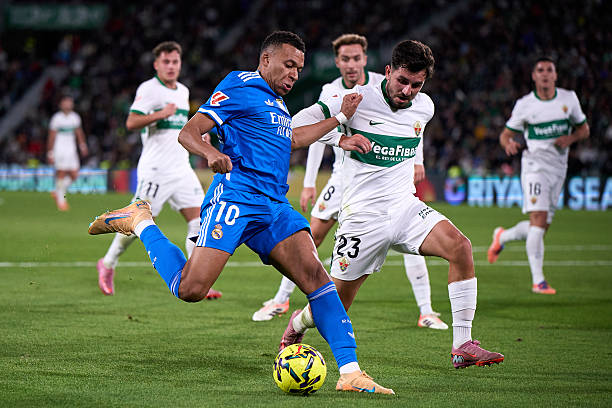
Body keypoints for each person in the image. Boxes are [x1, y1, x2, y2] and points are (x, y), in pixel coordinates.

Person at [89, 31, 395, 394]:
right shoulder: (240, 84)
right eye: (288, 65)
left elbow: (293, 139)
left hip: (274, 206)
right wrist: (210, 152)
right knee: (191, 289)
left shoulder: (278, 104)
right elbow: (188, 132)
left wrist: (339, 119)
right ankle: (141, 221)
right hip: (236, 199)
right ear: (266, 60)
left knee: (317, 278)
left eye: (299, 68)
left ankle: (350, 372)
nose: (294, 74)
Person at [279, 39, 504, 370]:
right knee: (337, 303)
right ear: (387, 72)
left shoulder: (425, 106)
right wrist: (340, 137)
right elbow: (294, 125)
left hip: (404, 208)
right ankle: (298, 322)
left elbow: (416, 131)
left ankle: (462, 345)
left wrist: (418, 161)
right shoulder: (355, 99)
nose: (408, 91)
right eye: (402, 81)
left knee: (460, 247)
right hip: (362, 217)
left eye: (417, 84)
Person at [253, 34, 448, 331]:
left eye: (356, 58)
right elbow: (312, 132)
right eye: (345, 59)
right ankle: (281, 299)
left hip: (380, 183)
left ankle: (426, 310)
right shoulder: (332, 91)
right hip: (342, 178)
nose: (351, 64)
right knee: (311, 238)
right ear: (337, 62)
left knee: (410, 239)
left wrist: (417, 161)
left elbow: (412, 125)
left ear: (366, 60)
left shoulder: (387, 85)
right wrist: (310, 181)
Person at [95, 41, 221, 300]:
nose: (171, 66)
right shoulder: (149, 89)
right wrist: (160, 114)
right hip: (155, 170)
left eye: (175, 62)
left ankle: (195, 279)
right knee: (137, 222)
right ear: (156, 64)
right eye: (166, 62)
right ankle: (107, 263)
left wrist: (200, 137)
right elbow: (131, 122)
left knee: (199, 221)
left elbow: (182, 127)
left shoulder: (183, 91)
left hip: (182, 169)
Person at [488, 57, 589, 294]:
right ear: (534, 76)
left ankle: (502, 237)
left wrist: (571, 138)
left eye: (549, 70)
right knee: (539, 219)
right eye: (540, 70)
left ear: (555, 75)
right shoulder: (525, 105)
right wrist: (508, 144)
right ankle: (538, 281)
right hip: (534, 167)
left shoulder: (569, 99)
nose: (545, 74)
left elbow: (584, 129)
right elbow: (505, 135)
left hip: (558, 169)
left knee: (540, 226)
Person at [47, 95, 88, 211]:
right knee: (61, 173)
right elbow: (51, 136)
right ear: (61, 104)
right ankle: (61, 201)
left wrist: (82, 145)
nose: (68, 104)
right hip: (59, 149)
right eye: (66, 102)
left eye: (70, 102)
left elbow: (79, 132)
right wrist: (50, 153)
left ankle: (58, 191)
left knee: (75, 174)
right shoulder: (57, 118)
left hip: (71, 149)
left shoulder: (75, 117)